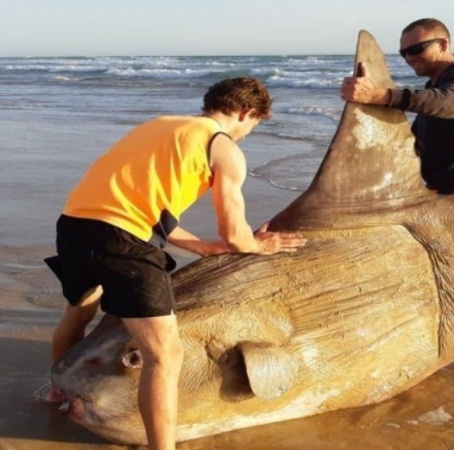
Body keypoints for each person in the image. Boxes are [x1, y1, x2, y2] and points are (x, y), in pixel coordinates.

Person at [44, 76, 307, 450]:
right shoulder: (223, 146)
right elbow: (235, 234)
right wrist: (259, 246)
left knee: (79, 311)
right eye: (253, 125)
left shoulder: (160, 125)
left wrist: (199, 246)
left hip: (74, 225)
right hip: (122, 241)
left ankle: (57, 395)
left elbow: (141, 205)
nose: (248, 134)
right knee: (164, 354)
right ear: (247, 113)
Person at [341, 18, 454, 198]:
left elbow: (453, 103)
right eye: (404, 53)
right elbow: (415, 144)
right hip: (440, 192)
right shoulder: (435, 88)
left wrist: (381, 96)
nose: (409, 58)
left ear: (443, 44)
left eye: (416, 49)